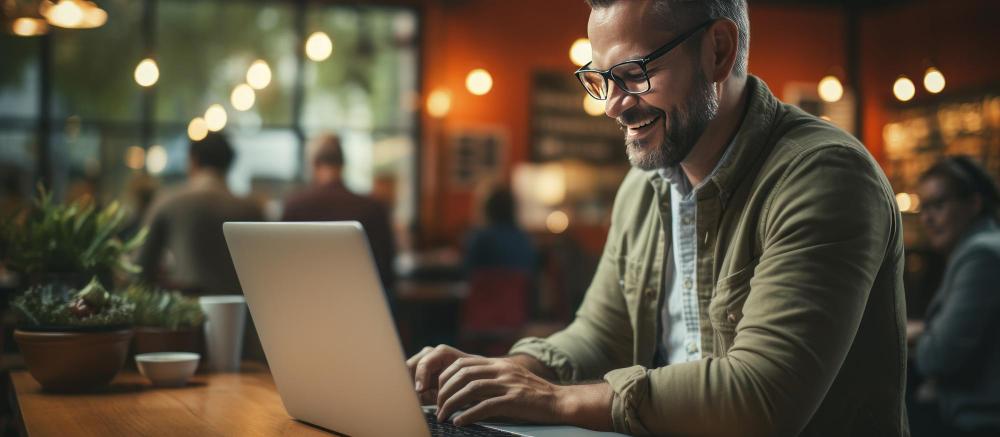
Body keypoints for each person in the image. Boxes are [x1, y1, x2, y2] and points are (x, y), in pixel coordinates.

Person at [406, 1, 908, 435]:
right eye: (602, 79)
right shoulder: (643, 188)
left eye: (633, 74)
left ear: (717, 51)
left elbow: (761, 398)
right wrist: (502, 372)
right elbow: (601, 336)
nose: (612, 107)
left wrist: (553, 399)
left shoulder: (824, 176)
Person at [909, 156, 1000, 436]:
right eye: (924, 208)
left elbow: (939, 357)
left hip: (975, 421)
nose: (927, 218)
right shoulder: (979, 248)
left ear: (973, 204)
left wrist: (912, 336)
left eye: (938, 205)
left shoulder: (981, 255)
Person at [137, 132, 263, 294]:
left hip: (186, 309)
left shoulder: (168, 202)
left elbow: (139, 267)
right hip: (240, 310)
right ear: (229, 164)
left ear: (192, 161)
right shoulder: (252, 209)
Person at [282, 134, 396, 300]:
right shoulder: (373, 207)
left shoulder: (295, 206)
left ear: (314, 165)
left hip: (306, 300)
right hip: (361, 301)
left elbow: (284, 267)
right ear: (343, 165)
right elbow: (386, 269)